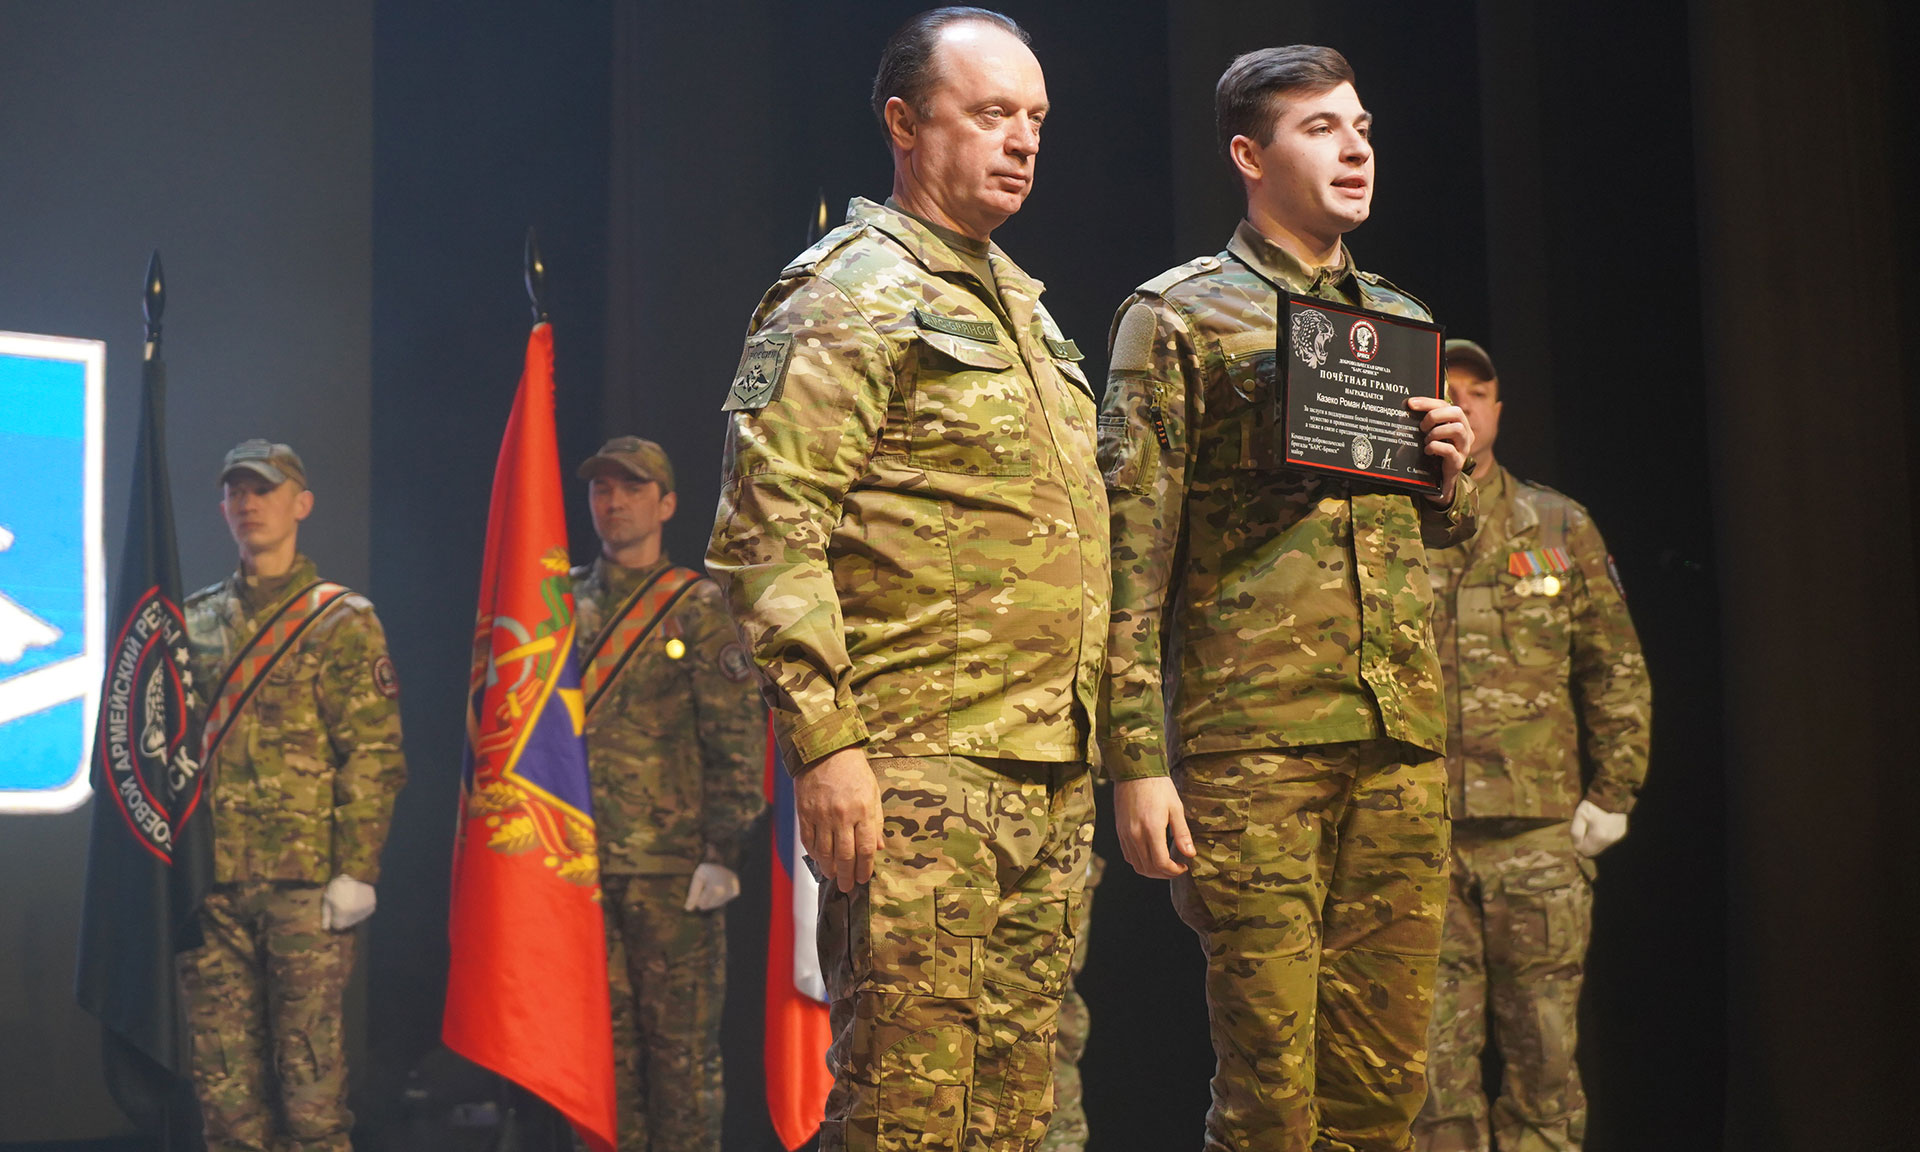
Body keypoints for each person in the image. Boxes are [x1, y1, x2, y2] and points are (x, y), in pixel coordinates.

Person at [705, 8, 1107, 1150]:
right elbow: (768, 534)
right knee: (909, 1118)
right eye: (992, 113)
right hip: (921, 773)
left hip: (1046, 773)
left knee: (1022, 1119)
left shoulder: (1022, 305)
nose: (1022, 140)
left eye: (1036, 118)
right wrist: (828, 748)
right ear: (904, 121)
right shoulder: (848, 292)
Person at [1097, 46, 1477, 1152]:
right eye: (1321, 129)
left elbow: (1419, 537)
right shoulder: (1178, 316)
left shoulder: (1398, 319)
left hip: (1398, 741)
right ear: (1249, 156)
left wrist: (1444, 482)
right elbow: (1130, 553)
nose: (1355, 149)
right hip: (1254, 748)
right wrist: (1137, 760)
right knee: (1270, 1097)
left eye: (1362, 128)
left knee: (1386, 1093)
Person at [1412, 341, 1652, 1152]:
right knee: (1430, 1077)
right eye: (1447, 389)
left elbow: (1614, 665)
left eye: (1479, 392)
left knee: (1544, 1063)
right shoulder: (1391, 525)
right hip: (1421, 837)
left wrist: (1613, 793)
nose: (1464, 404)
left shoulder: (1558, 524)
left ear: (1499, 408)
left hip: (1538, 838)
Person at [178, 439, 406, 1152]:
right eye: (236, 492)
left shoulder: (341, 619)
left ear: (301, 504)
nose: (249, 504)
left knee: (311, 1101)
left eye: (265, 490)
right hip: (213, 889)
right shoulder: (193, 622)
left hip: (305, 887)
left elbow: (373, 752)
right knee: (227, 1102)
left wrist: (357, 869)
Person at [570, 436, 766, 1151]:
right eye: (602, 488)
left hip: (673, 873)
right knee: (597, 1064)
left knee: (680, 1063)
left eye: (632, 487)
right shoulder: (558, 605)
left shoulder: (699, 608)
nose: (614, 501)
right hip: (578, 869)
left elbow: (736, 740)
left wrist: (722, 852)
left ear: (667, 504)